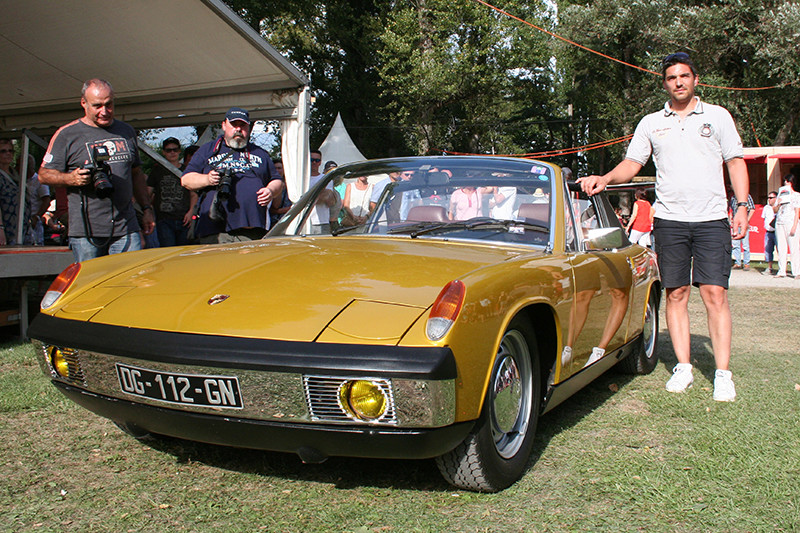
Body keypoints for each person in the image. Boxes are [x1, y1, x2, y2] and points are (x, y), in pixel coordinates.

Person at [578, 52, 748, 402]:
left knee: (715, 295)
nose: (679, 82)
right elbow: (632, 162)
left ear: (695, 79)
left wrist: (742, 206)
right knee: (676, 293)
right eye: (672, 78)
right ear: (665, 83)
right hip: (669, 219)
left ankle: (723, 374)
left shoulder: (717, 117)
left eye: (684, 76)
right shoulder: (652, 122)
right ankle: (683, 367)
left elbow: (735, 161)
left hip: (712, 218)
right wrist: (605, 178)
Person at [39, 79, 155, 261]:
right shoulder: (67, 134)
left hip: (126, 227)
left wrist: (147, 209)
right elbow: (44, 175)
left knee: (128, 282)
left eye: (109, 105)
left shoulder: (126, 131)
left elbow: (136, 173)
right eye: (97, 106)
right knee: (91, 284)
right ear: (83, 103)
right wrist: (71, 179)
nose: (104, 111)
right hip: (86, 231)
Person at [181, 107, 282, 243]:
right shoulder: (208, 150)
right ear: (224, 125)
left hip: (251, 229)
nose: (238, 129)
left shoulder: (260, 153)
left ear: (249, 128)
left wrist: (270, 190)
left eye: (243, 125)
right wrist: (207, 179)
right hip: (215, 229)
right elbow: (186, 180)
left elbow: (277, 181)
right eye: (234, 125)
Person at [148, 137, 193, 247]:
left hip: (184, 219)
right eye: (169, 150)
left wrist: (191, 212)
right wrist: (148, 211)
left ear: (179, 151)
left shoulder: (187, 170)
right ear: (164, 152)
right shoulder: (156, 171)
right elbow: (147, 193)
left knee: (185, 254)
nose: (172, 152)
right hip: (164, 220)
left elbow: (194, 194)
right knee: (168, 251)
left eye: (175, 149)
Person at [19, 154, 51, 245]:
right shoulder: (19, 179)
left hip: (33, 222)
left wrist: (37, 216)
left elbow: (46, 200)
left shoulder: (39, 181)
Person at [773, 173, 800, 278]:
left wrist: (794, 225)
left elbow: (797, 211)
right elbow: (774, 210)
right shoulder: (780, 195)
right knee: (781, 247)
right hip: (780, 221)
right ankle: (781, 271)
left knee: (794, 247)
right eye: (785, 181)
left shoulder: (797, 195)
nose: (785, 183)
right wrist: (778, 203)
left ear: (791, 183)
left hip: (791, 221)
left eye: (787, 181)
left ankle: (796, 271)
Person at [306, 149, 337, 233]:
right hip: (304, 222)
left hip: (321, 222)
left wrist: (306, 198)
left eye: (317, 160)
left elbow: (328, 200)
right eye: (312, 160)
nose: (314, 163)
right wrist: (320, 194)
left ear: (320, 162)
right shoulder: (301, 179)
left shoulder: (326, 179)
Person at [0, 138, 20, 245]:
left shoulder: (15, 174)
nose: (8, 154)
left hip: (20, 228)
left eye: (10, 151)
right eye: (3, 151)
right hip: (6, 228)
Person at [729, 192, 755, 269]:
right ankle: (738, 262)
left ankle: (746, 263)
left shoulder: (747, 196)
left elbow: (752, 209)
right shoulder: (733, 198)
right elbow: (731, 209)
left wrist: (746, 220)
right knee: (735, 244)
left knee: (745, 245)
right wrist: (731, 217)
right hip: (735, 224)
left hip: (743, 223)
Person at [268, 159, 292, 228]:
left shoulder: (291, 185)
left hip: (288, 222)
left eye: (279, 168)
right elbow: (274, 206)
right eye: (275, 168)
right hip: (272, 222)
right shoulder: (269, 186)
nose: (277, 171)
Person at [761, 190, 778, 275]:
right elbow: (764, 218)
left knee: (780, 250)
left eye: (771, 198)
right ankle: (770, 267)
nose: (769, 199)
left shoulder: (779, 207)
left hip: (777, 232)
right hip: (768, 232)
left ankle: (782, 268)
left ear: (776, 198)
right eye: (768, 198)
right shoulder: (766, 208)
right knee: (768, 250)